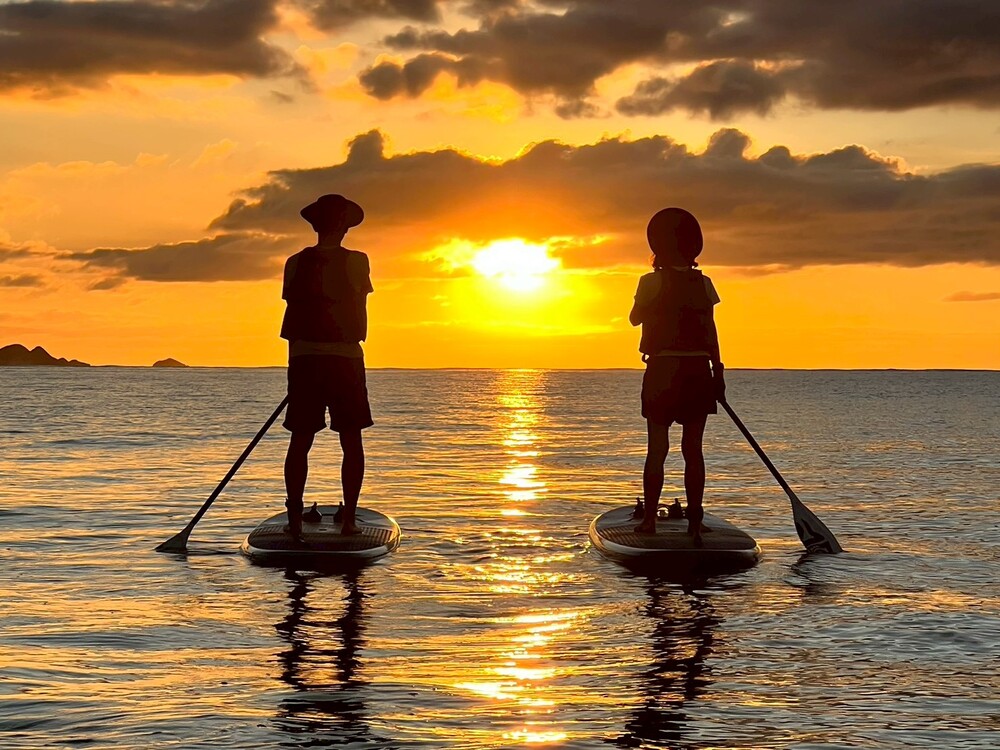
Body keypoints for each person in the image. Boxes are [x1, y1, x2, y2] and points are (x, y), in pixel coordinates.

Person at [629, 208, 725, 544]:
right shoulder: (705, 283)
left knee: (657, 448)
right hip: (699, 371)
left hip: (663, 370)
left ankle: (650, 523)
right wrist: (719, 371)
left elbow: (634, 319)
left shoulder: (649, 282)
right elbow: (711, 331)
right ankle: (695, 524)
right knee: (693, 450)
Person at [280, 194, 374, 538]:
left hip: (303, 359)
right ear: (344, 227)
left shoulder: (294, 262)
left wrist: (299, 367)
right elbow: (358, 303)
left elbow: (293, 308)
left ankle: (294, 520)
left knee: (300, 439)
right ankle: (348, 521)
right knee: (351, 439)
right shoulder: (358, 261)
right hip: (345, 358)